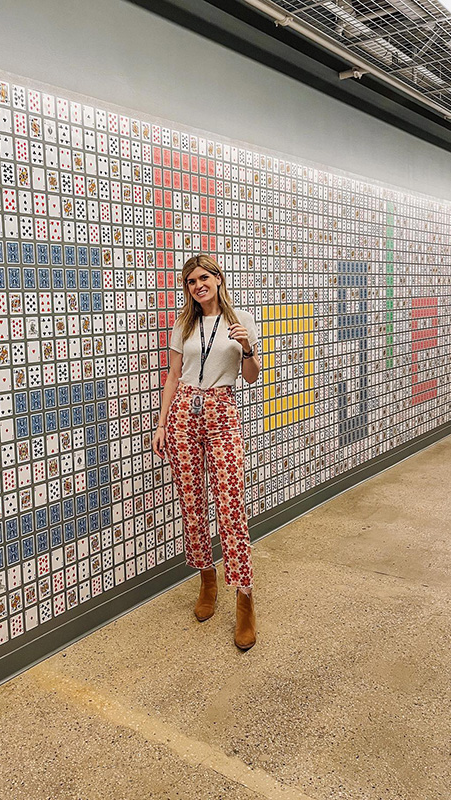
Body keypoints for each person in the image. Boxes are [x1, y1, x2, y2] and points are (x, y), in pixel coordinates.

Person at [153, 254, 260, 650]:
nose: (197, 285)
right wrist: (162, 423)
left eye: (203, 277)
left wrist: (247, 349)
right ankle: (206, 578)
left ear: (218, 279)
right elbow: (173, 374)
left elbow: (250, 377)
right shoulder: (185, 323)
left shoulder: (242, 320)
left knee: (231, 504)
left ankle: (245, 596)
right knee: (192, 503)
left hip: (221, 409)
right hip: (183, 410)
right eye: (190, 281)